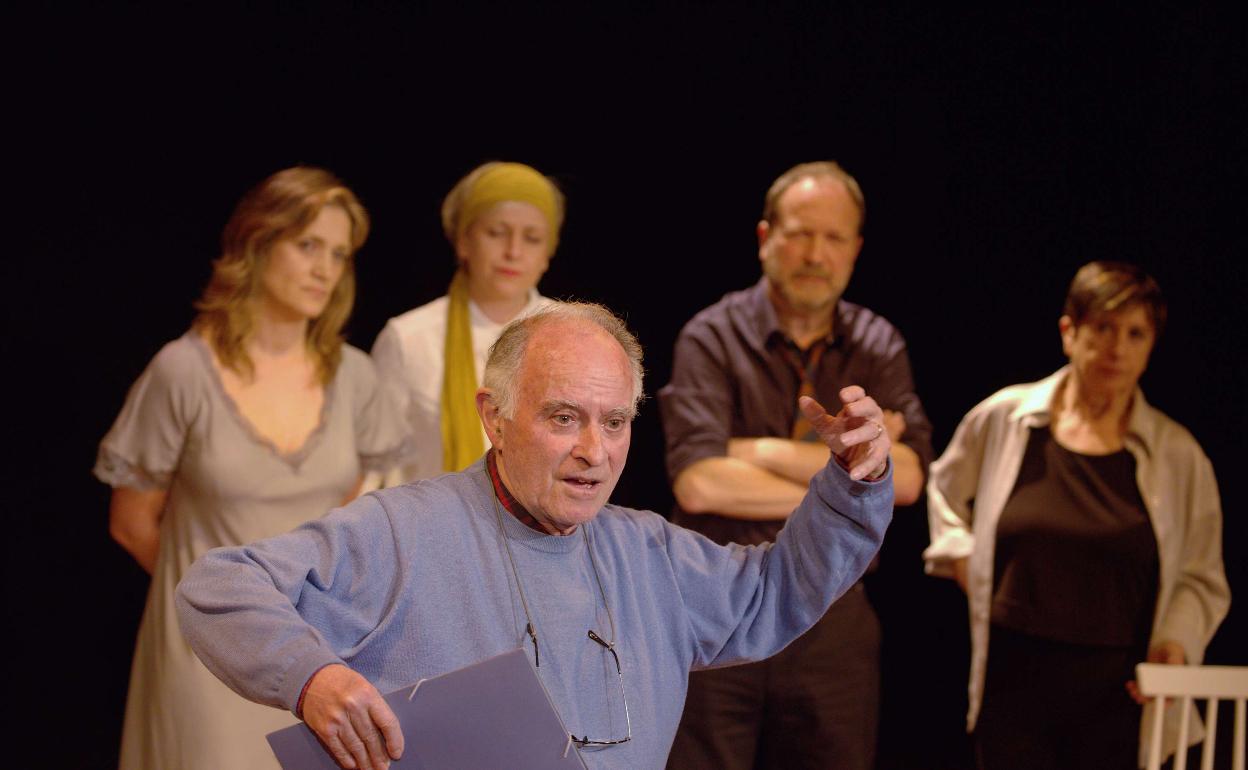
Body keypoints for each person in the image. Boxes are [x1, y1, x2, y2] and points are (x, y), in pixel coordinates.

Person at [175, 301, 896, 770]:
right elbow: (219, 586)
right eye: (563, 418)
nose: (595, 450)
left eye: (614, 423)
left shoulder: (651, 554)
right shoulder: (403, 530)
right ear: (494, 417)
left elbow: (775, 591)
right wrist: (313, 678)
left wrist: (851, 482)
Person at [94, 167, 408, 770]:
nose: (325, 268)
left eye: (339, 254)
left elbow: (342, 520)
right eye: (308, 245)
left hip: (313, 656)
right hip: (201, 657)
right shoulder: (183, 371)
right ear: (258, 244)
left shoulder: (356, 377)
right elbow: (132, 523)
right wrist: (219, 609)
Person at [659, 161, 932, 770]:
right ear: (765, 238)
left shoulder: (878, 343)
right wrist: (845, 479)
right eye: (801, 233)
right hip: (717, 610)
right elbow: (699, 484)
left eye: (834, 238)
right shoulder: (711, 335)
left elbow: (908, 478)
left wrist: (750, 449)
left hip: (834, 616)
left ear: (856, 250)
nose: (816, 253)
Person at [923, 262, 1230, 769]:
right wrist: (964, 559)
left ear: (1152, 345)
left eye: (1136, 333)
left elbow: (1199, 572)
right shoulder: (1009, 418)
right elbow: (945, 489)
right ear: (1070, 332)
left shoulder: (1175, 454)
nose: (1117, 347)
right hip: (1014, 680)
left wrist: (1175, 642)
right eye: (1104, 328)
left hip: (1118, 694)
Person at [369, 161, 562, 485]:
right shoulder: (410, 338)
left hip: (546, 531)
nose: (513, 251)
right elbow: (380, 469)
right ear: (464, 241)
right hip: (431, 527)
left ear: (547, 253)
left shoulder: (572, 334)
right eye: (496, 233)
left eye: (531, 238)